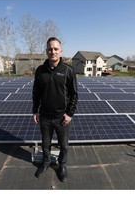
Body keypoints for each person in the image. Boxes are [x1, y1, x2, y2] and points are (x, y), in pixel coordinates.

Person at [32, 37, 78, 182]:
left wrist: (69, 114)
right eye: (50, 49)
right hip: (45, 117)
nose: (53, 51)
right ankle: (46, 162)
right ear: (46, 51)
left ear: (60, 51)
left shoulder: (68, 71)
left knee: (64, 146)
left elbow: (74, 94)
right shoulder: (40, 71)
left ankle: (62, 166)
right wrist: (35, 110)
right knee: (45, 144)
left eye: (56, 49)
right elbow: (36, 92)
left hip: (61, 118)